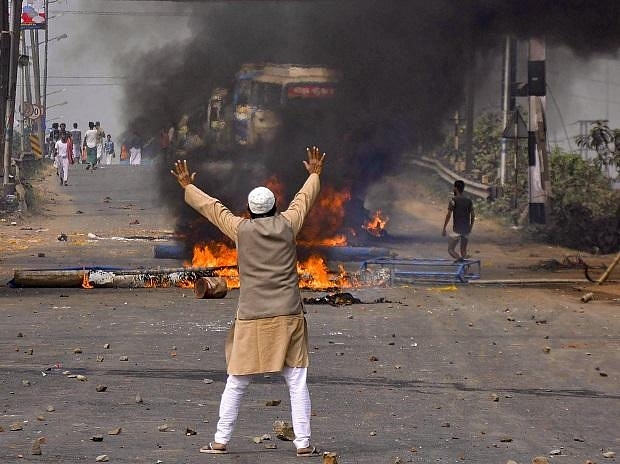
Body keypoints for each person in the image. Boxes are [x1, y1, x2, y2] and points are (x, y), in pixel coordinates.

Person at [170, 146, 326, 458]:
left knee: (237, 381)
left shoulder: (241, 229)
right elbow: (303, 201)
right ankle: (303, 444)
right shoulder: (287, 225)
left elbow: (213, 209)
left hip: (253, 315)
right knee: (297, 381)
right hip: (289, 315)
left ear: (249, 210)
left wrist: (188, 185)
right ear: (275, 207)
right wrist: (314, 174)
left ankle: (219, 441)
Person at [442, 179, 475, 262]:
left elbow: (448, 215)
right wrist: (470, 227)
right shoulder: (469, 201)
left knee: (451, 250)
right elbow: (473, 215)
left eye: (454, 187)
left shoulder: (453, 201)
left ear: (455, 188)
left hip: (456, 230)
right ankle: (464, 269)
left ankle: (459, 259)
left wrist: (444, 228)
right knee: (463, 251)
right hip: (466, 230)